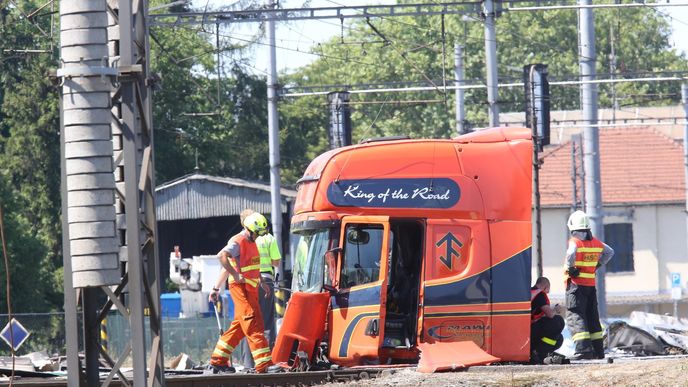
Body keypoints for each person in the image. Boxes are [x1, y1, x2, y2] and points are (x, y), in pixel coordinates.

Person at [207, 211, 276, 374]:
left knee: (240, 326)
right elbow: (221, 255)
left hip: (251, 288)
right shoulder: (238, 241)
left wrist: (262, 281)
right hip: (240, 289)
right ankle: (264, 363)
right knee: (252, 322)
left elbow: (252, 265)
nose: (258, 237)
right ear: (249, 229)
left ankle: (218, 360)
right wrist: (234, 274)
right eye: (257, 234)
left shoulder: (252, 241)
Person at [564, 210, 615, 360]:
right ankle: (598, 350)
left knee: (576, 316)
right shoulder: (596, 243)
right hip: (590, 286)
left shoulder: (575, 242)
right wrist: (597, 265)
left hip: (575, 286)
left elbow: (571, 253)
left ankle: (583, 350)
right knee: (592, 316)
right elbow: (610, 252)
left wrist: (571, 268)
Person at [530, 277, 565, 364]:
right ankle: (540, 353)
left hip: (529, 330)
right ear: (545, 286)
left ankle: (539, 351)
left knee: (559, 338)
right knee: (558, 321)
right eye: (548, 289)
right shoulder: (540, 294)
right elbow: (550, 314)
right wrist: (556, 309)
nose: (548, 292)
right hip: (531, 330)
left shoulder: (531, 292)